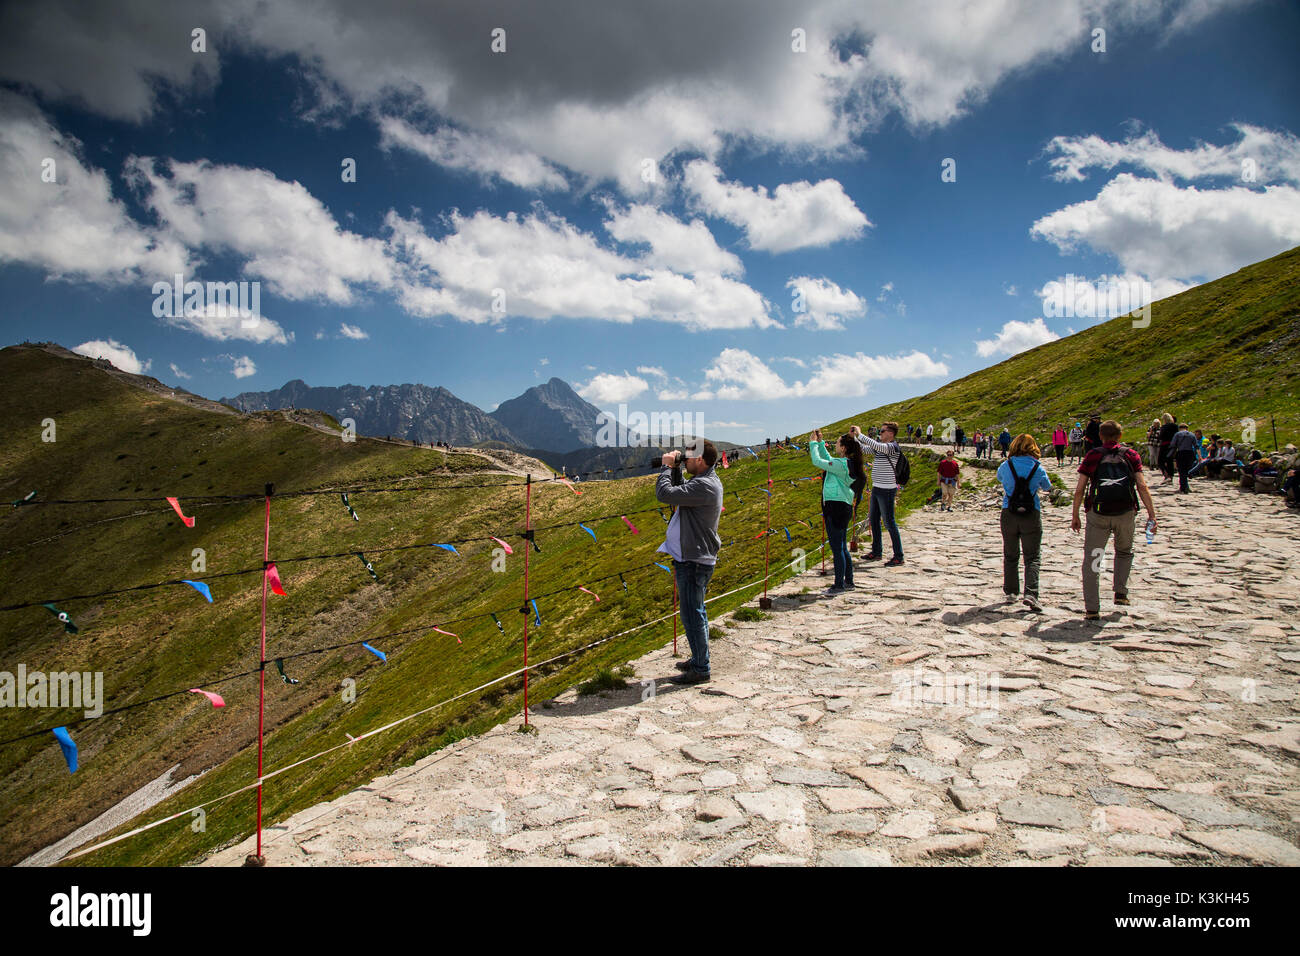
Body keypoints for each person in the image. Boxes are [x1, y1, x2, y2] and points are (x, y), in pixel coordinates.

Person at [1071, 420, 1158, 621]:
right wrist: (1151, 515)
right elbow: (1142, 486)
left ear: (1100, 436)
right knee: (1125, 551)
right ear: (1120, 436)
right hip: (1126, 512)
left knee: (1093, 558)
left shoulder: (1093, 455)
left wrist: (1075, 514)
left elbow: (1079, 489)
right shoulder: (1131, 455)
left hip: (1098, 514)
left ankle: (1092, 608)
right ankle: (1121, 592)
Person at [656, 440, 724, 685]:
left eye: (689, 458)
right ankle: (699, 658)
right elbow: (683, 490)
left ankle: (701, 668)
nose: (686, 461)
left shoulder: (705, 486)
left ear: (702, 461)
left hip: (694, 560)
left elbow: (665, 494)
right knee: (696, 612)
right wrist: (675, 470)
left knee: (692, 614)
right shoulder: (704, 482)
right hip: (694, 557)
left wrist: (665, 468)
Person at [997, 434, 1054, 611]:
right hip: (1031, 513)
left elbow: (1001, 479)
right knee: (1032, 556)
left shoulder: (1006, 465)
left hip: (1009, 512)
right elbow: (1047, 486)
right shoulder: (1037, 467)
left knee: (1010, 553)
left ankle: (1011, 592)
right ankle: (1031, 593)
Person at [809, 429, 866, 593]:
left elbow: (818, 462)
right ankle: (848, 581)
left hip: (835, 507)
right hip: (843, 505)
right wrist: (820, 443)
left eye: (838, 442)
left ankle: (839, 585)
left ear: (844, 448)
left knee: (837, 548)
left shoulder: (842, 464)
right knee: (842, 546)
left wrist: (812, 444)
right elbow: (828, 459)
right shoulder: (845, 463)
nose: (836, 444)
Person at [851, 421, 905, 566]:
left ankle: (898, 555)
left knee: (889, 522)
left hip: (887, 489)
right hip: (877, 488)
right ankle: (876, 551)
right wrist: (855, 438)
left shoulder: (892, 447)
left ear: (891, 434)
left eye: (882, 431)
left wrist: (860, 434)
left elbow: (876, 446)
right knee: (874, 520)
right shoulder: (881, 448)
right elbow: (863, 449)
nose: (880, 433)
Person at [1170, 422, 1198, 494]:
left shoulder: (1177, 434)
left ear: (1180, 428)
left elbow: (1173, 444)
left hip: (1181, 453)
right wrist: (1199, 456)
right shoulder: (1192, 435)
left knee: (1181, 470)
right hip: (1190, 453)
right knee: (1187, 469)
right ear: (1187, 428)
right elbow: (1196, 445)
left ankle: (1183, 487)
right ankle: (1186, 486)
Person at [1157, 412, 1178, 482]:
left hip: (1165, 444)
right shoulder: (1175, 426)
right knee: (1170, 460)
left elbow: (1161, 437)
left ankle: (1166, 474)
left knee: (1160, 460)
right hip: (1173, 445)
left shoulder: (1164, 427)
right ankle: (1171, 475)